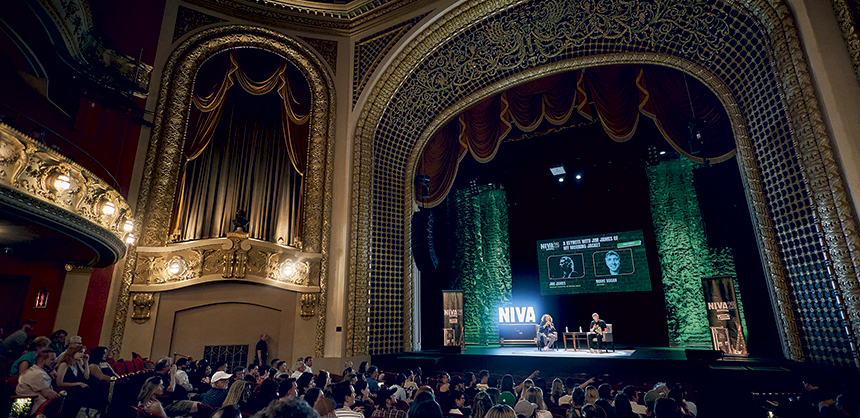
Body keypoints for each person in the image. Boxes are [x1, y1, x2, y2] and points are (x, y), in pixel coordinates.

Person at [16, 350, 59, 414]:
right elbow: (48, 393)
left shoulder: (37, 371)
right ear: (41, 360)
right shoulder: (37, 374)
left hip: (38, 406)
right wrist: (62, 397)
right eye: (52, 359)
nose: (55, 362)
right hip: (30, 409)